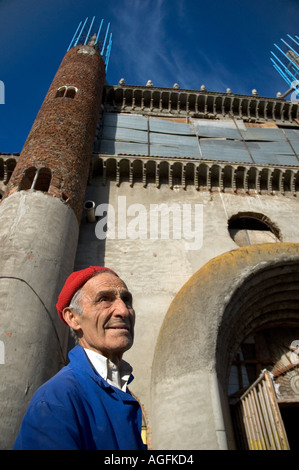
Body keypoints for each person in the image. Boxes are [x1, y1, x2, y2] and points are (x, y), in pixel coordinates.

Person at [13, 266, 147, 450]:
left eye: (126, 300)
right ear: (73, 318)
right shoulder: (57, 399)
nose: (123, 311)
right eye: (104, 299)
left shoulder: (121, 390)